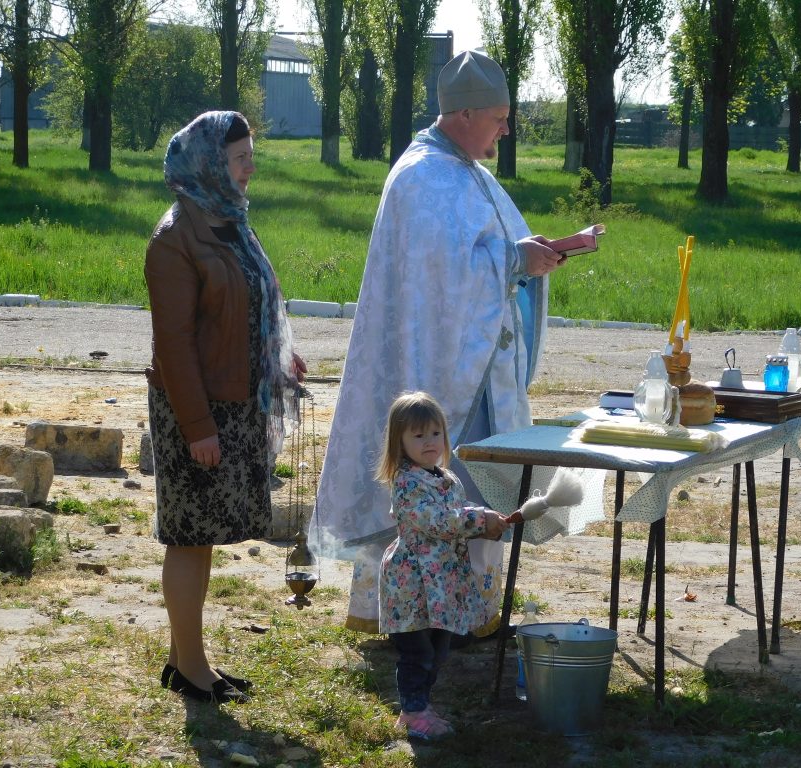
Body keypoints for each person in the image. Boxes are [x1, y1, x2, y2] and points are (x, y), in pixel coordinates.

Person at [310, 50, 568, 638]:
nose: (505, 130)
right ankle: (414, 614)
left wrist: (531, 256)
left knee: (473, 488)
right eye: (498, 118)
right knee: (437, 490)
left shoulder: (470, 172)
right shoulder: (423, 176)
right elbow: (442, 277)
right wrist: (514, 261)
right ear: (464, 112)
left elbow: (484, 254)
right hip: (438, 375)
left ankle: (468, 612)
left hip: (477, 368)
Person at [145, 110, 306, 704]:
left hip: (234, 403)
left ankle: (183, 658)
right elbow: (175, 345)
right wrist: (197, 428)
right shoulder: (173, 240)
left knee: (203, 534)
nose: (249, 169)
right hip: (197, 409)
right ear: (211, 163)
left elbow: (251, 301)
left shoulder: (229, 220)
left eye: (250, 157)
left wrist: (277, 357)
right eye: (240, 159)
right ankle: (191, 669)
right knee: (188, 536)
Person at [376, 392, 511, 739]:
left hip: (441, 583)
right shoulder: (406, 483)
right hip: (411, 583)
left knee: (438, 649)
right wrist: (478, 520)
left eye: (435, 433)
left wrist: (487, 519)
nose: (429, 442)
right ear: (400, 442)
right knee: (416, 652)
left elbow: (457, 508)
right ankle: (412, 711)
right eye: (418, 436)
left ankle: (422, 703)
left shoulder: (445, 477)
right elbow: (437, 520)